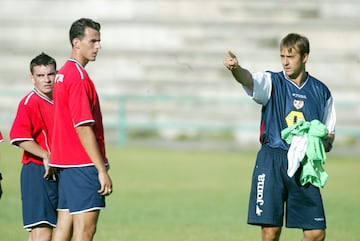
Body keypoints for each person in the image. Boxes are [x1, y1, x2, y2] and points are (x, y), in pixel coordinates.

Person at [224, 33, 336, 241]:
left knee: (316, 233)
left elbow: (329, 135)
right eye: (282, 56)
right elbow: (249, 80)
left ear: (305, 57)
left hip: (305, 164)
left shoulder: (322, 92)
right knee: (271, 231)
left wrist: (318, 142)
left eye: (290, 57)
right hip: (272, 160)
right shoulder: (272, 81)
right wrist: (236, 69)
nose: (285, 62)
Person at [50, 18, 113, 241]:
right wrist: (101, 169)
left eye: (99, 41)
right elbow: (83, 126)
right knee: (85, 231)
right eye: (93, 41)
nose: (98, 46)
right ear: (77, 43)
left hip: (66, 164)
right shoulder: (77, 77)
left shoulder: (63, 73)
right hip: (82, 164)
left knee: (63, 230)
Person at [9, 53, 58, 241]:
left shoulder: (61, 100)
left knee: (56, 229)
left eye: (50, 74)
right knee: (41, 230)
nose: (46, 80)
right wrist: (46, 155)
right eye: (40, 75)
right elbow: (18, 137)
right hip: (37, 171)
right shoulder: (29, 102)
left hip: (58, 169)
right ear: (32, 78)